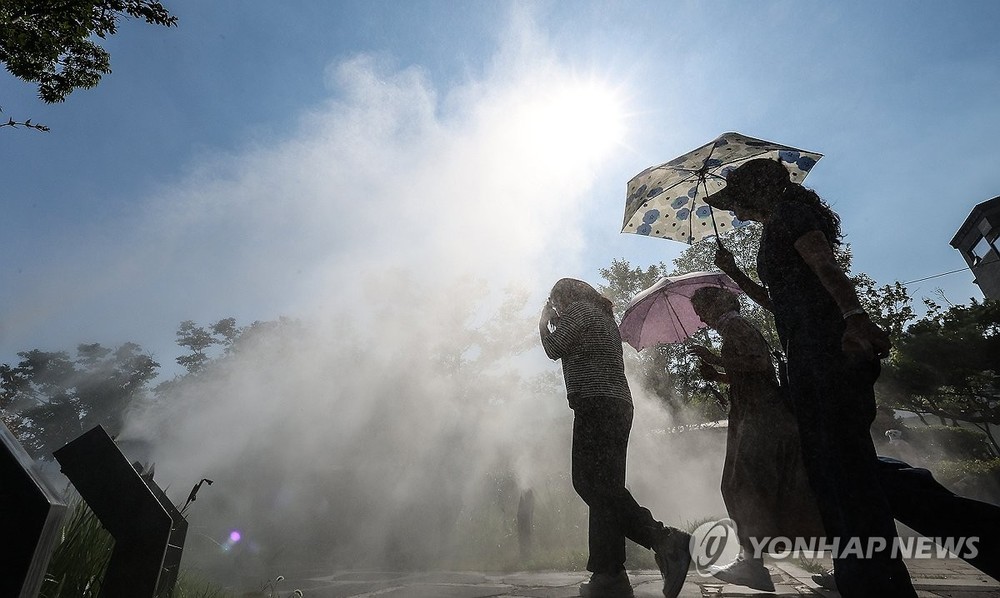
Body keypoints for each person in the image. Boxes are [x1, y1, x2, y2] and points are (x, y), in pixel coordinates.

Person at [704, 158, 917, 596]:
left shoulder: (791, 214)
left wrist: (855, 318)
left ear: (756, 191)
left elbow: (826, 268)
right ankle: (857, 570)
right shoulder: (775, 226)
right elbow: (778, 302)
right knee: (829, 469)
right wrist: (735, 274)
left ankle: (877, 580)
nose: (734, 211)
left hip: (826, 352)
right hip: (806, 354)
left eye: (735, 200)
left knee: (846, 468)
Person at [539, 278, 691, 598]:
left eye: (556, 302)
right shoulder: (601, 314)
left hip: (595, 404)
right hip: (617, 406)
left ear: (565, 297)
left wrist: (543, 323)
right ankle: (609, 573)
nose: (556, 308)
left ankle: (665, 540)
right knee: (606, 492)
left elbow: (553, 348)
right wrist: (558, 319)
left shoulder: (578, 310)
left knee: (589, 484)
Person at [688, 286, 824, 592]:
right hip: (755, 415)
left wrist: (716, 360)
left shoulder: (734, 324)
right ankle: (754, 560)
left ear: (716, 305)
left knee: (742, 485)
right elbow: (752, 372)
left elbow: (760, 363)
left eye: (701, 310)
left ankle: (752, 564)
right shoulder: (733, 327)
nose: (701, 318)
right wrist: (718, 376)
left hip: (761, 416)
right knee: (749, 485)